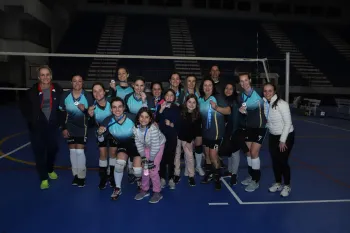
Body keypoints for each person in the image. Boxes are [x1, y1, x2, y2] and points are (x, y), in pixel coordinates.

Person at [19, 65, 63, 189]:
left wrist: (60, 121)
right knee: (39, 152)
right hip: (37, 128)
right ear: (39, 77)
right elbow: (23, 107)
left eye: (47, 74)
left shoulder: (58, 90)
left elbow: (63, 105)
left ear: (51, 76)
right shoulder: (31, 92)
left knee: (53, 149)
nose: (45, 77)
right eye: (42, 75)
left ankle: (49, 169)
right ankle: (44, 177)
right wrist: (32, 119)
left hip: (52, 126)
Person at [97, 97, 142, 200]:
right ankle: (118, 188)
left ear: (124, 108)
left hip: (137, 146)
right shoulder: (108, 121)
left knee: (137, 170)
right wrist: (100, 133)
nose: (117, 110)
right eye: (114, 107)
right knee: (119, 164)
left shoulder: (133, 118)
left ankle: (139, 179)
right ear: (111, 109)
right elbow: (101, 140)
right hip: (123, 145)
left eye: (120, 107)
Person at [59, 75, 94, 187]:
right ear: (71, 83)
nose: (77, 83)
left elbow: (91, 116)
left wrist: (84, 110)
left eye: (79, 81)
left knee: (79, 151)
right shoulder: (65, 95)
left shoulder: (88, 96)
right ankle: (75, 175)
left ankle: (82, 177)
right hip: (69, 127)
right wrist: (63, 128)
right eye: (75, 81)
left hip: (82, 127)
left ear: (82, 83)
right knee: (73, 151)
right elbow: (61, 113)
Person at [198, 78, 231, 190]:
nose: (207, 87)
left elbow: (228, 111)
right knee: (207, 155)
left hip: (217, 133)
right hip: (205, 132)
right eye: (205, 85)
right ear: (202, 87)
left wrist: (216, 107)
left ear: (213, 87)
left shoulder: (218, 98)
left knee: (213, 155)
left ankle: (217, 178)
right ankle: (210, 174)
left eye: (210, 85)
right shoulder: (200, 100)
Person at [263, 83, 295, 197]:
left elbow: (288, 123)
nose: (267, 93)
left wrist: (282, 141)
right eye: (265, 91)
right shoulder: (265, 103)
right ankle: (278, 183)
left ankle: (287, 185)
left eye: (270, 91)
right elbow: (269, 119)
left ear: (275, 91)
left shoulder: (282, 104)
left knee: (282, 161)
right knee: (275, 161)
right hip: (273, 135)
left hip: (286, 136)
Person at [238, 72, 267, 192]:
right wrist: (242, 111)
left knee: (254, 153)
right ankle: (251, 176)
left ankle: (256, 180)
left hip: (260, 127)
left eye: (246, 80)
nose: (244, 83)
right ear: (240, 83)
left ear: (250, 80)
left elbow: (271, 100)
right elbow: (246, 111)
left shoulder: (260, 92)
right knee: (249, 153)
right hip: (249, 127)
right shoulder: (241, 96)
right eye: (241, 81)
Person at [133, 107, 166, 203]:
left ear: (150, 119)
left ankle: (157, 192)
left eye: (146, 117)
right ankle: (145, 189)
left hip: (158, 145)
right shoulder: (135, 128)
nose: (144, 119)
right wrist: (143, 157)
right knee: (145, 168)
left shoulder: (153, 129)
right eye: (141, 117)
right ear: (138, 117)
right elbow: (138, 144)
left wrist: (151, 160)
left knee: (153, 169)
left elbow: (155, 147)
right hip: (147, 145)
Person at [88, 82, 116, 189]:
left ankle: (112, 176)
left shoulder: (112, 103)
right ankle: (103, 177)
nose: (98, 93)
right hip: (101, 133)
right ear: (93, 94)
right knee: (102, 153)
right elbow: (91, 125)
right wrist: (90, 116)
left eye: (100, 90)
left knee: (113, 153)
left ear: (104, 92)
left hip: (114, 132)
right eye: (95, 91)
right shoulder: (92, 108)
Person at [156, 89, 181, 189]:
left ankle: (171, 178)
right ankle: (162, 178)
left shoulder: (177, 108)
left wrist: (171, 124)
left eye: (172, 95)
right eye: (167, 95)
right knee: (161, 157)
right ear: (164, 96)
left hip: (172, 135)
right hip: (161, 136)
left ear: (174, 97)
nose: (169, 97)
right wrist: (161, 110)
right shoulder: (160, 106)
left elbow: (179, 122)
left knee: (171, 157)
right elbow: (156, 119)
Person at [177, 94, 202, 186]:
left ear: (196, 104)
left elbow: (195, 130)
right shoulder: (181, 111)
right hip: (178, 137)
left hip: (188, 139)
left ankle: (191, 176)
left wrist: (188, 141)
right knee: (177, 156)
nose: (191, 104)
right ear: (185, 103)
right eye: (189, 102)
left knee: (190, 157)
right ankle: (176, 174)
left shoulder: (197, 116)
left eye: (194, 102)